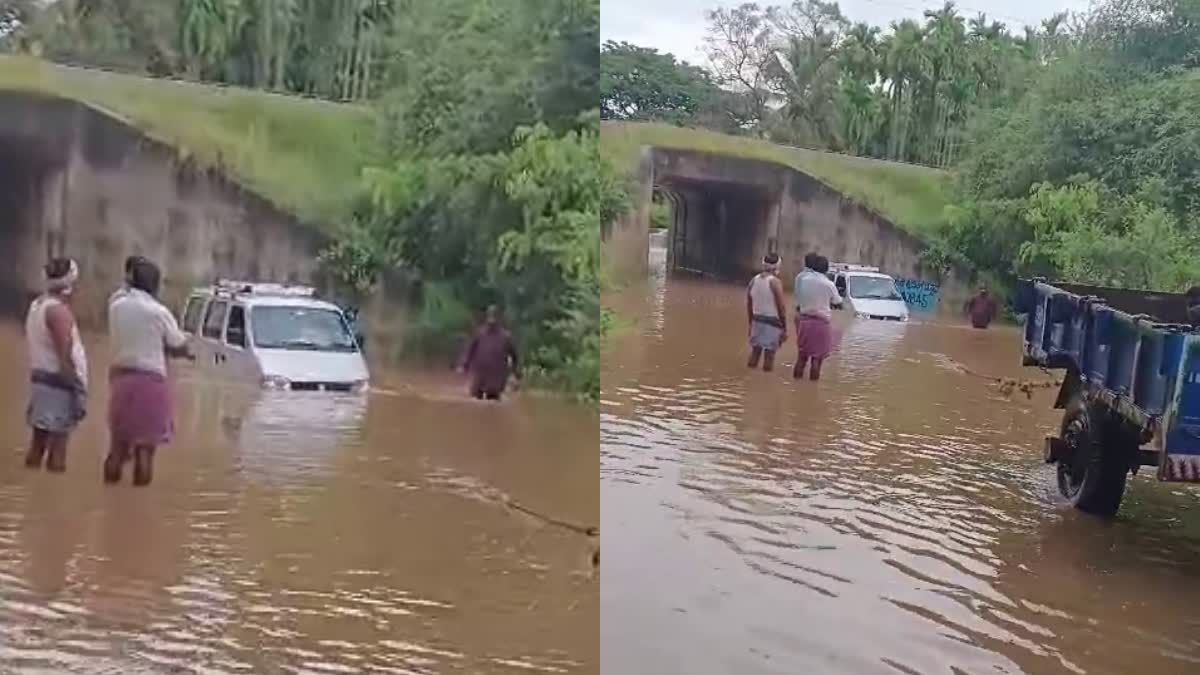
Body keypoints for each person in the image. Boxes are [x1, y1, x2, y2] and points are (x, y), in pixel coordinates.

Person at [106, 258, 194, 486]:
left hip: (120, 380)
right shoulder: (159, 312)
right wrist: (186, 351)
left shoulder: (115, 306)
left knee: (117, 448)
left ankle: (109, 499)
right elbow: (177, 345)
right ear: (155, 285)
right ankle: (139, 509)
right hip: (150, 383)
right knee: (145, 450)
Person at [24, 258, 88, 472]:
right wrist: (76, 389)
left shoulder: (38, 305)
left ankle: (30, 491)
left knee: (38, 444)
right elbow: (65, 354)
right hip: (58, 385)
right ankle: (50, 496)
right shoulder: (58, 312)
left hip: (43, 382)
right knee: (58, 450)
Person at [792, 254, 842, 381]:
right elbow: (838, 302)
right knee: (817, 360)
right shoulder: (829, 284)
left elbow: (798, 298)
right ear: (826, 269)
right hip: (821, 323)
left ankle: (796, 385)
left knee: (801, 357)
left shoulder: (803, 279)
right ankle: (812, 391)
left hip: (804, 321)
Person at [458, 305, 520, 401]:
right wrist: (463, 365)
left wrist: (515, 374)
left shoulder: (506, 337)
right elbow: (469, 350)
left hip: (496, 376)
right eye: (490, 316)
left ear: (499, 318)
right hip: (480, 374)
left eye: (494, 316)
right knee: (475, 399)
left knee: (493, 399)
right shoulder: (479, 333)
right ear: (487, 317)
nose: (492, 320)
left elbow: (514, 357)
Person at [746, 253, 788, 371]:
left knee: (755, 352)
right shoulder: (775, 282)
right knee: (769, 356)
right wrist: (784, 328)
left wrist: (750, 324)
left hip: (756, 320)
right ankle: (765, 383)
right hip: (772, 323)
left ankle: (748, 380)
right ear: (777, 266)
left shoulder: (753, 280)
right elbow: (781, 307)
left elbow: (749, 305)